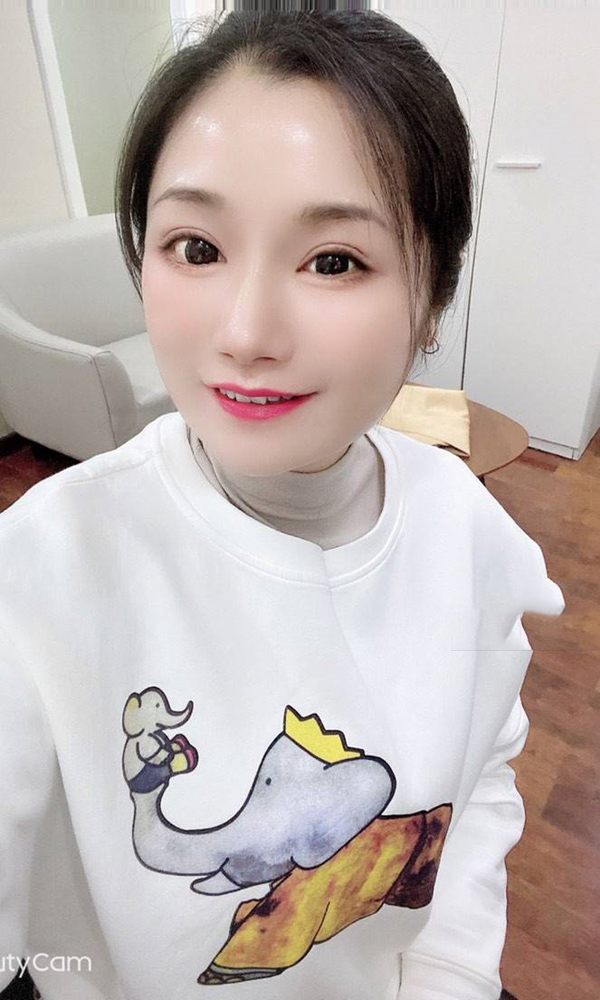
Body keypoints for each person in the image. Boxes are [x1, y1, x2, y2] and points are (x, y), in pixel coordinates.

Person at [0, 9, 565, 1000]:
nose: (247, 331)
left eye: (333, 260)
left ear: (433, 296)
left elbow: (481, 773)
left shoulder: (468, 534)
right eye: (195, 247)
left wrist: (451, 971)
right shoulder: (41, 571)